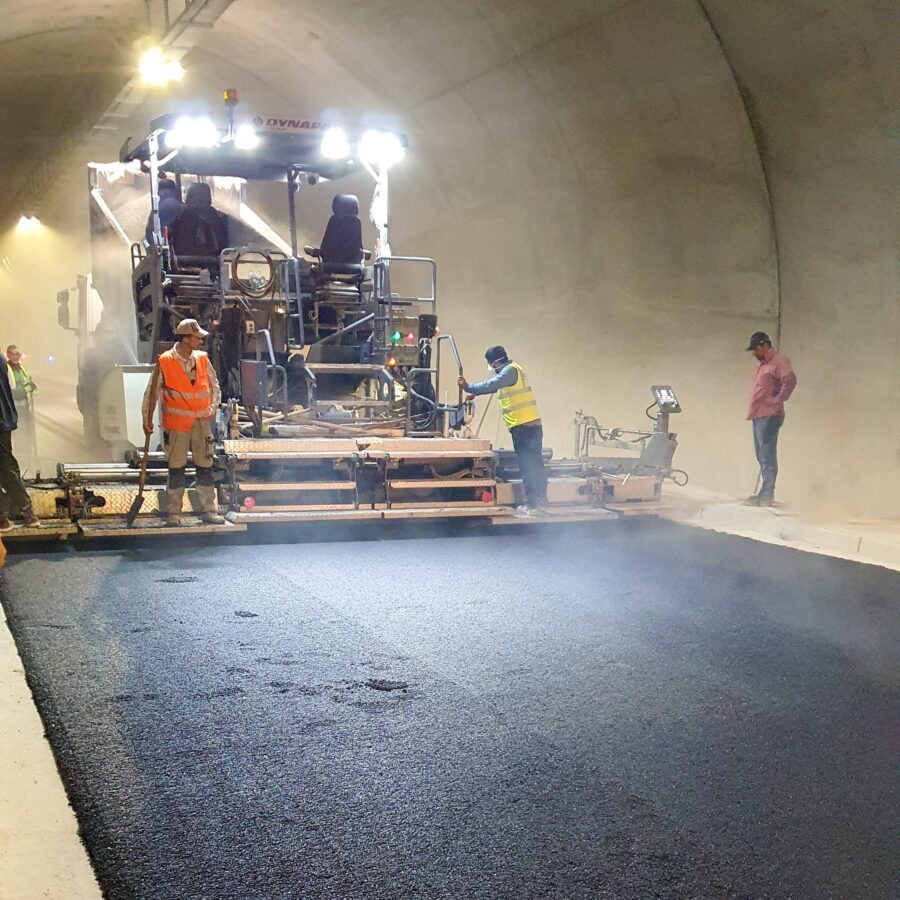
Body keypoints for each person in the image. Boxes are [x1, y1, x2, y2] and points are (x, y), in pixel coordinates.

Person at [142, 319, 225, 526]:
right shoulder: (166, 361)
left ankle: (208, 510)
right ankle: (173, 514)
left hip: (202, 424)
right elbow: (151, 394)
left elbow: (215, 387)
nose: (201, 342)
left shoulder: (203, 360)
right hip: (177, 425)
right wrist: (147, 419)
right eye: (197, 338)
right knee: (176, 469)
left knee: (205, 468)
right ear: (186, 339)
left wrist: (212, 409)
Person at [458, 346, 548, 514]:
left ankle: (534, 505)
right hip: (529, 425)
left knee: (528, 465)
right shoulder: (514, 370)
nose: (489, 367)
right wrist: (476, 393)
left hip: (524, 426)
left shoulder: (509, 371)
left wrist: (468, 387)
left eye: (489, 364)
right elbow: (496, 386)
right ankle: (541, 501)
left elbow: (493, 384)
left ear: (496, 362)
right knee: (534, 464)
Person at [744, 331, 797, 507]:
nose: (754, 353)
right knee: (761, 454)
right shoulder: (764, 364)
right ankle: (763, 493)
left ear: (764, 345)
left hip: (769, 414)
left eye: (756, 349)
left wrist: (777, 400)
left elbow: (790, 381)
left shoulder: (779, 362)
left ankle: (767, 495)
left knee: (767, 455)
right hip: (759, 413)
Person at [0, 355, 40, 530]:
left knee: (6, 467)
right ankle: (26, 512)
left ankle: (7, 517)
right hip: (4, 420)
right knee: (8, 467)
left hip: (1, 420)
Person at [5, 345, 37, 472]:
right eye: (12, 354)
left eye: (17, 354)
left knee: (26, 435)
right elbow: (10, 390)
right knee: (17, 437)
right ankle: (16, 465)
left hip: (24, 409)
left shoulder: (21, 367)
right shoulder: (6, 369)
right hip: (13, 409)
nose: (15, 357)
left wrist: (32, 387)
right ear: (8, 355)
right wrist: (24, 389)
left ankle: (27, 462)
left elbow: (26, 383)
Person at [144, 177, 183, 245]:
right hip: (181, 244)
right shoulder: (182, 206)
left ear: (161, 192)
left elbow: (150, 228)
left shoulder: (158, 207)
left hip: (163, 245)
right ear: (174, 191)